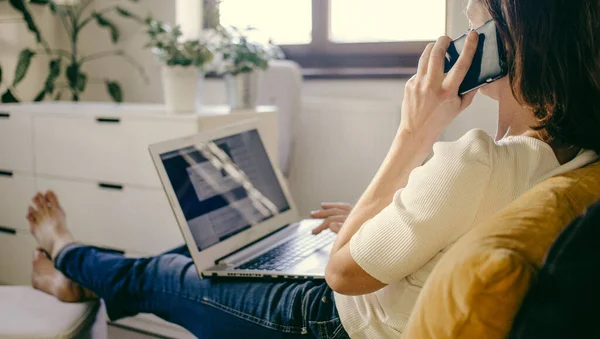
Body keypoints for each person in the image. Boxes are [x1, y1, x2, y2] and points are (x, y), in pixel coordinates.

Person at [25, 0, 600, 337]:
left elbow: (342, 275)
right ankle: (77, 283)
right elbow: (460, 218)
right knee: (193, 254)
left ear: (518, 43)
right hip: (383, 287)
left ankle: (68, 253)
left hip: (326, 319)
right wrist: (394, 221)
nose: (468, 40)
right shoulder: (576, 160)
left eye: (480, 27)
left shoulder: (475, 160)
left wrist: (414, 131)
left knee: (166, 276)